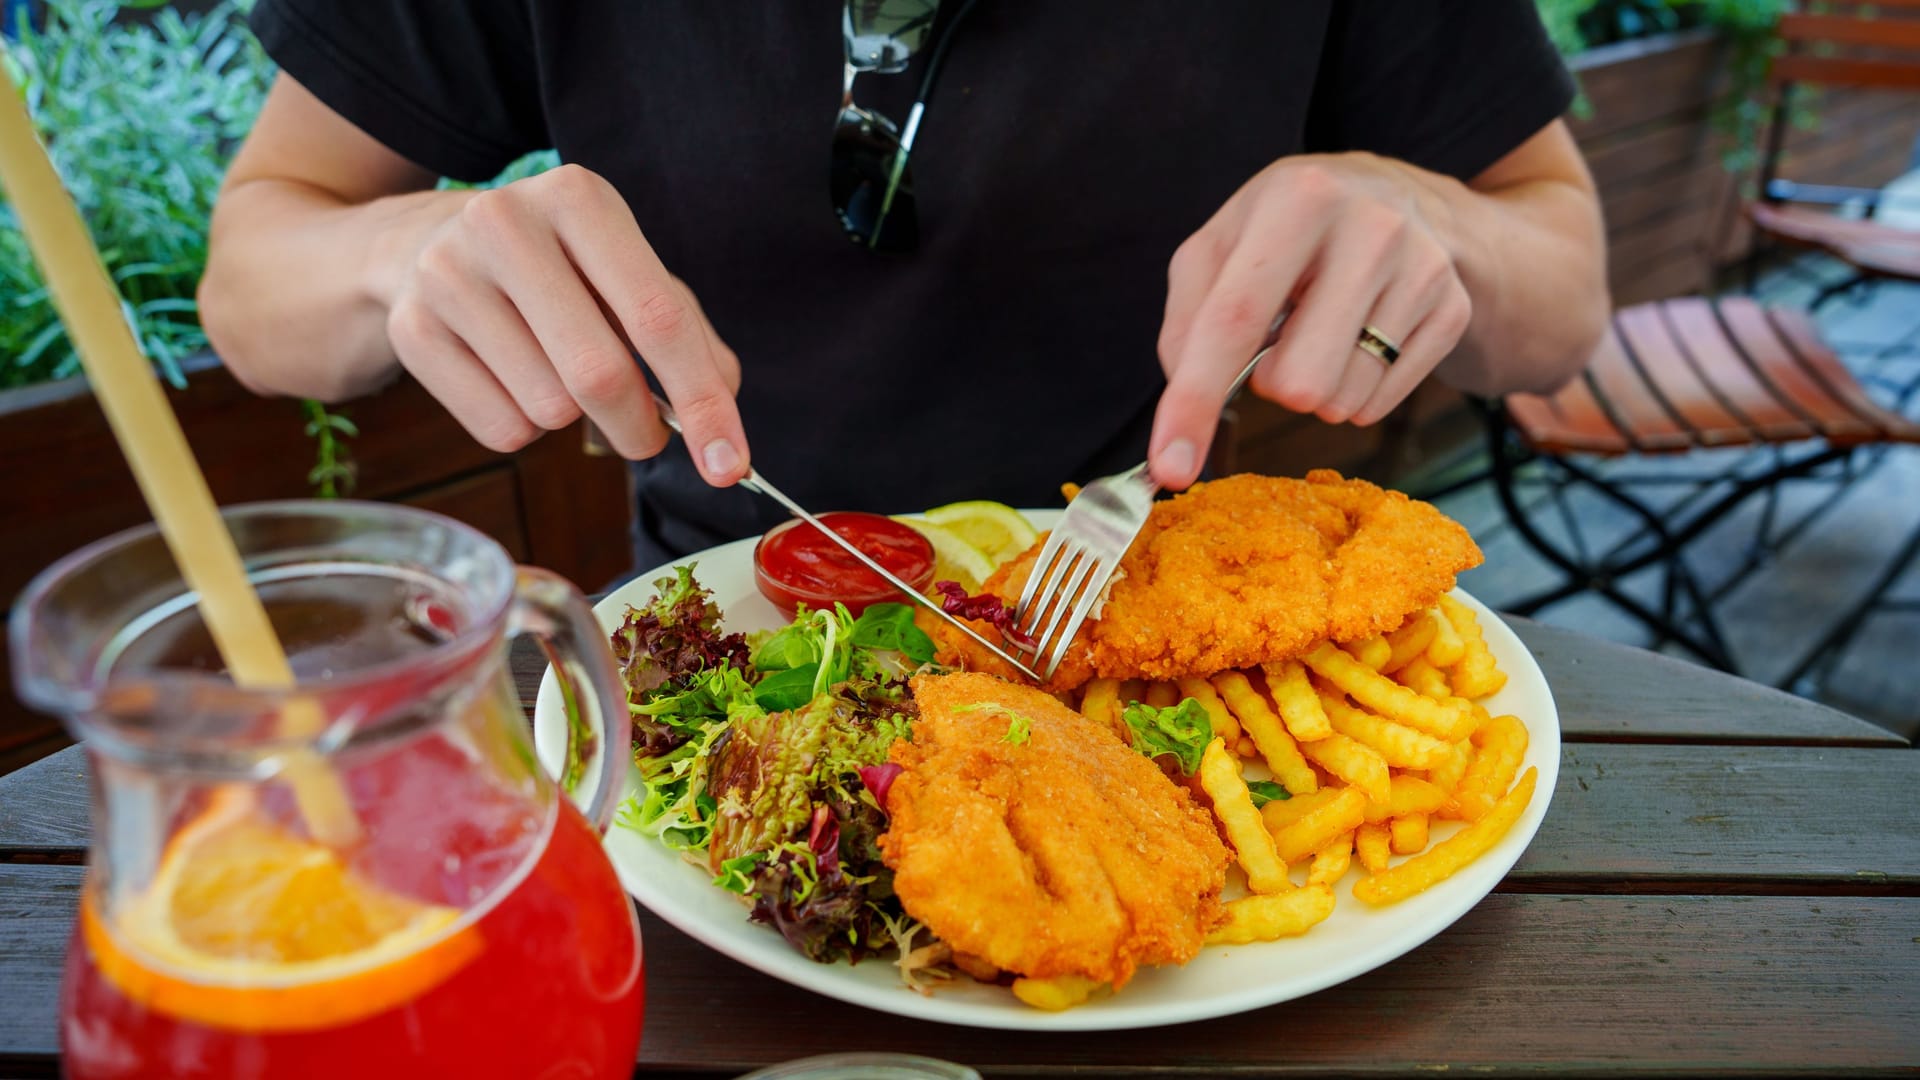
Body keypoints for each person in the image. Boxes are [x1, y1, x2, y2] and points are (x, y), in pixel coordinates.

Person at [199, 1, 1608, 570]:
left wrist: (1435, 221)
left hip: (1137, 593)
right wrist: (402, 253)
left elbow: (1565, 291)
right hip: (709, 607)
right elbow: (254, 277)